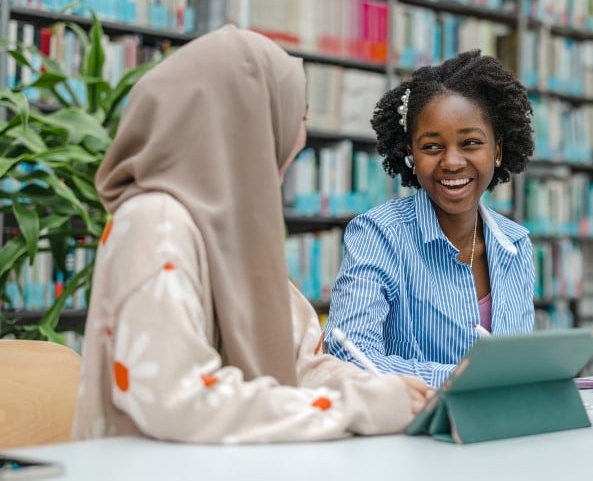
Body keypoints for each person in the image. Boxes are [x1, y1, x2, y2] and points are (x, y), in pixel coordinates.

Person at [73, 25, 432, 444]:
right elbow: (177, 401)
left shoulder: (233, 229)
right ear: (245, 123)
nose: (298, 138)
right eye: (295, 117)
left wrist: (388, 392)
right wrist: (357, 407)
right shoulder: (157, 220)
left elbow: (302, 363)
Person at [324, 50, 536, 388]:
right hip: (408, 431)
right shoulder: (378, 235)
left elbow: (520, 364)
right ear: (411, 153)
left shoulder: (516, 245)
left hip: (497, 431)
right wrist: (463, 379)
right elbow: (348, 356)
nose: (452, 162)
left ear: (496, 151)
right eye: (432, 147)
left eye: (470, 143)